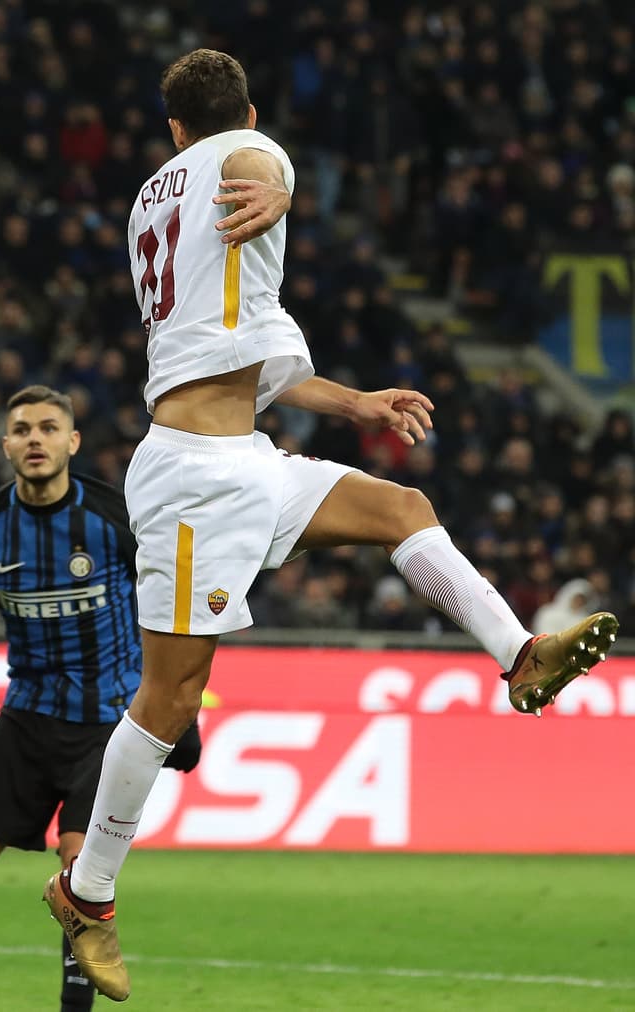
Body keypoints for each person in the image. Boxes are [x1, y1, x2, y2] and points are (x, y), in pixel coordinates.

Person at [42, 50, 619, 1002]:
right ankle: (87, 891)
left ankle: (519, 654)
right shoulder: (251, 161)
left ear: (171, 128)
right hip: (191, 478)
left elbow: (253, 365)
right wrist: (281, 188)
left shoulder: (154, 200)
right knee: (169, 700)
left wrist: (359, 401)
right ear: (246, 116)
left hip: (247, 461)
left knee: (401, 508)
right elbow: (264, 171)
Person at [0, 385, 201, 1012]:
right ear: (5, 445)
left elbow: (176, 599)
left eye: (48, 428)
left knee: (80, 877)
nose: (34, 439)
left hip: (109, 727)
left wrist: (181, 710)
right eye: (21, 429)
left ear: (72, 442)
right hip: (26, 720)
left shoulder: (115, 517)